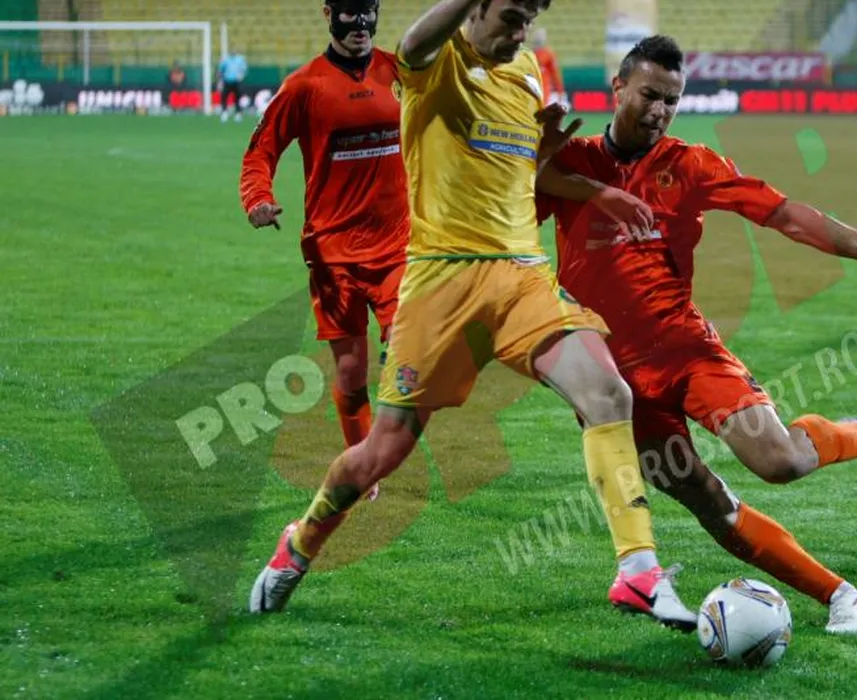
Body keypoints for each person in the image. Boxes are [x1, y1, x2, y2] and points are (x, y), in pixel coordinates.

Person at [249, 0, 698, 633]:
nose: (521, 32)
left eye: (529, 19)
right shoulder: (434, 63)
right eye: (511, 16)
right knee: (382, 452)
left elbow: (523, 170)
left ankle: (638, 571)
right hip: (442, 283)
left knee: (607, 391)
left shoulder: (527, 73)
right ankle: (300, 543)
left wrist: (579, 177)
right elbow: (412, 43)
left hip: (520, 276)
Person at [537, 35, 857, 634]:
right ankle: (839, 594)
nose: (659, 111)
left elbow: (785, 214)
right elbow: (498, 222)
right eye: (649, 95)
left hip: (687, 352)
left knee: (780, 461)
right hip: (609, 382)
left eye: (671, 100)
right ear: (618, 88)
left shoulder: (690, 164)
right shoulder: (570, 166)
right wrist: (532, 162)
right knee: (706, 500)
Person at [240, 0, 405, 504]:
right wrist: (257, 198)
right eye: (350, 13)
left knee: (406, 347)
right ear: (329, 13)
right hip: (334, 251)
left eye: (370, 11)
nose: (362, 24)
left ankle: (385, 442)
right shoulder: (304, 86)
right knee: (352, 373)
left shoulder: (399, 69)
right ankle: (362, 462)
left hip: (399, 244)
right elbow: (261, 149)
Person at [531, 27, 564, 105]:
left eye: (540, 37)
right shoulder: (528, 53)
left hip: (544, 87)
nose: (538, 40)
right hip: (532, 86)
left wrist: (560, 90)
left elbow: (555, 73)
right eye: (537, 37)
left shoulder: (548, 54)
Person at [217, 49, 249, 122]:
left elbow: (244, 68)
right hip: (227, 81)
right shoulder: (226, 60)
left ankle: (238, 113)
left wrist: (242, 75)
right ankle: (224, 112)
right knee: (224, 97)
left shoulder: (240, 59)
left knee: (237, 97)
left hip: (236, 81)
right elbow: (221, 70)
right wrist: (220, 80)